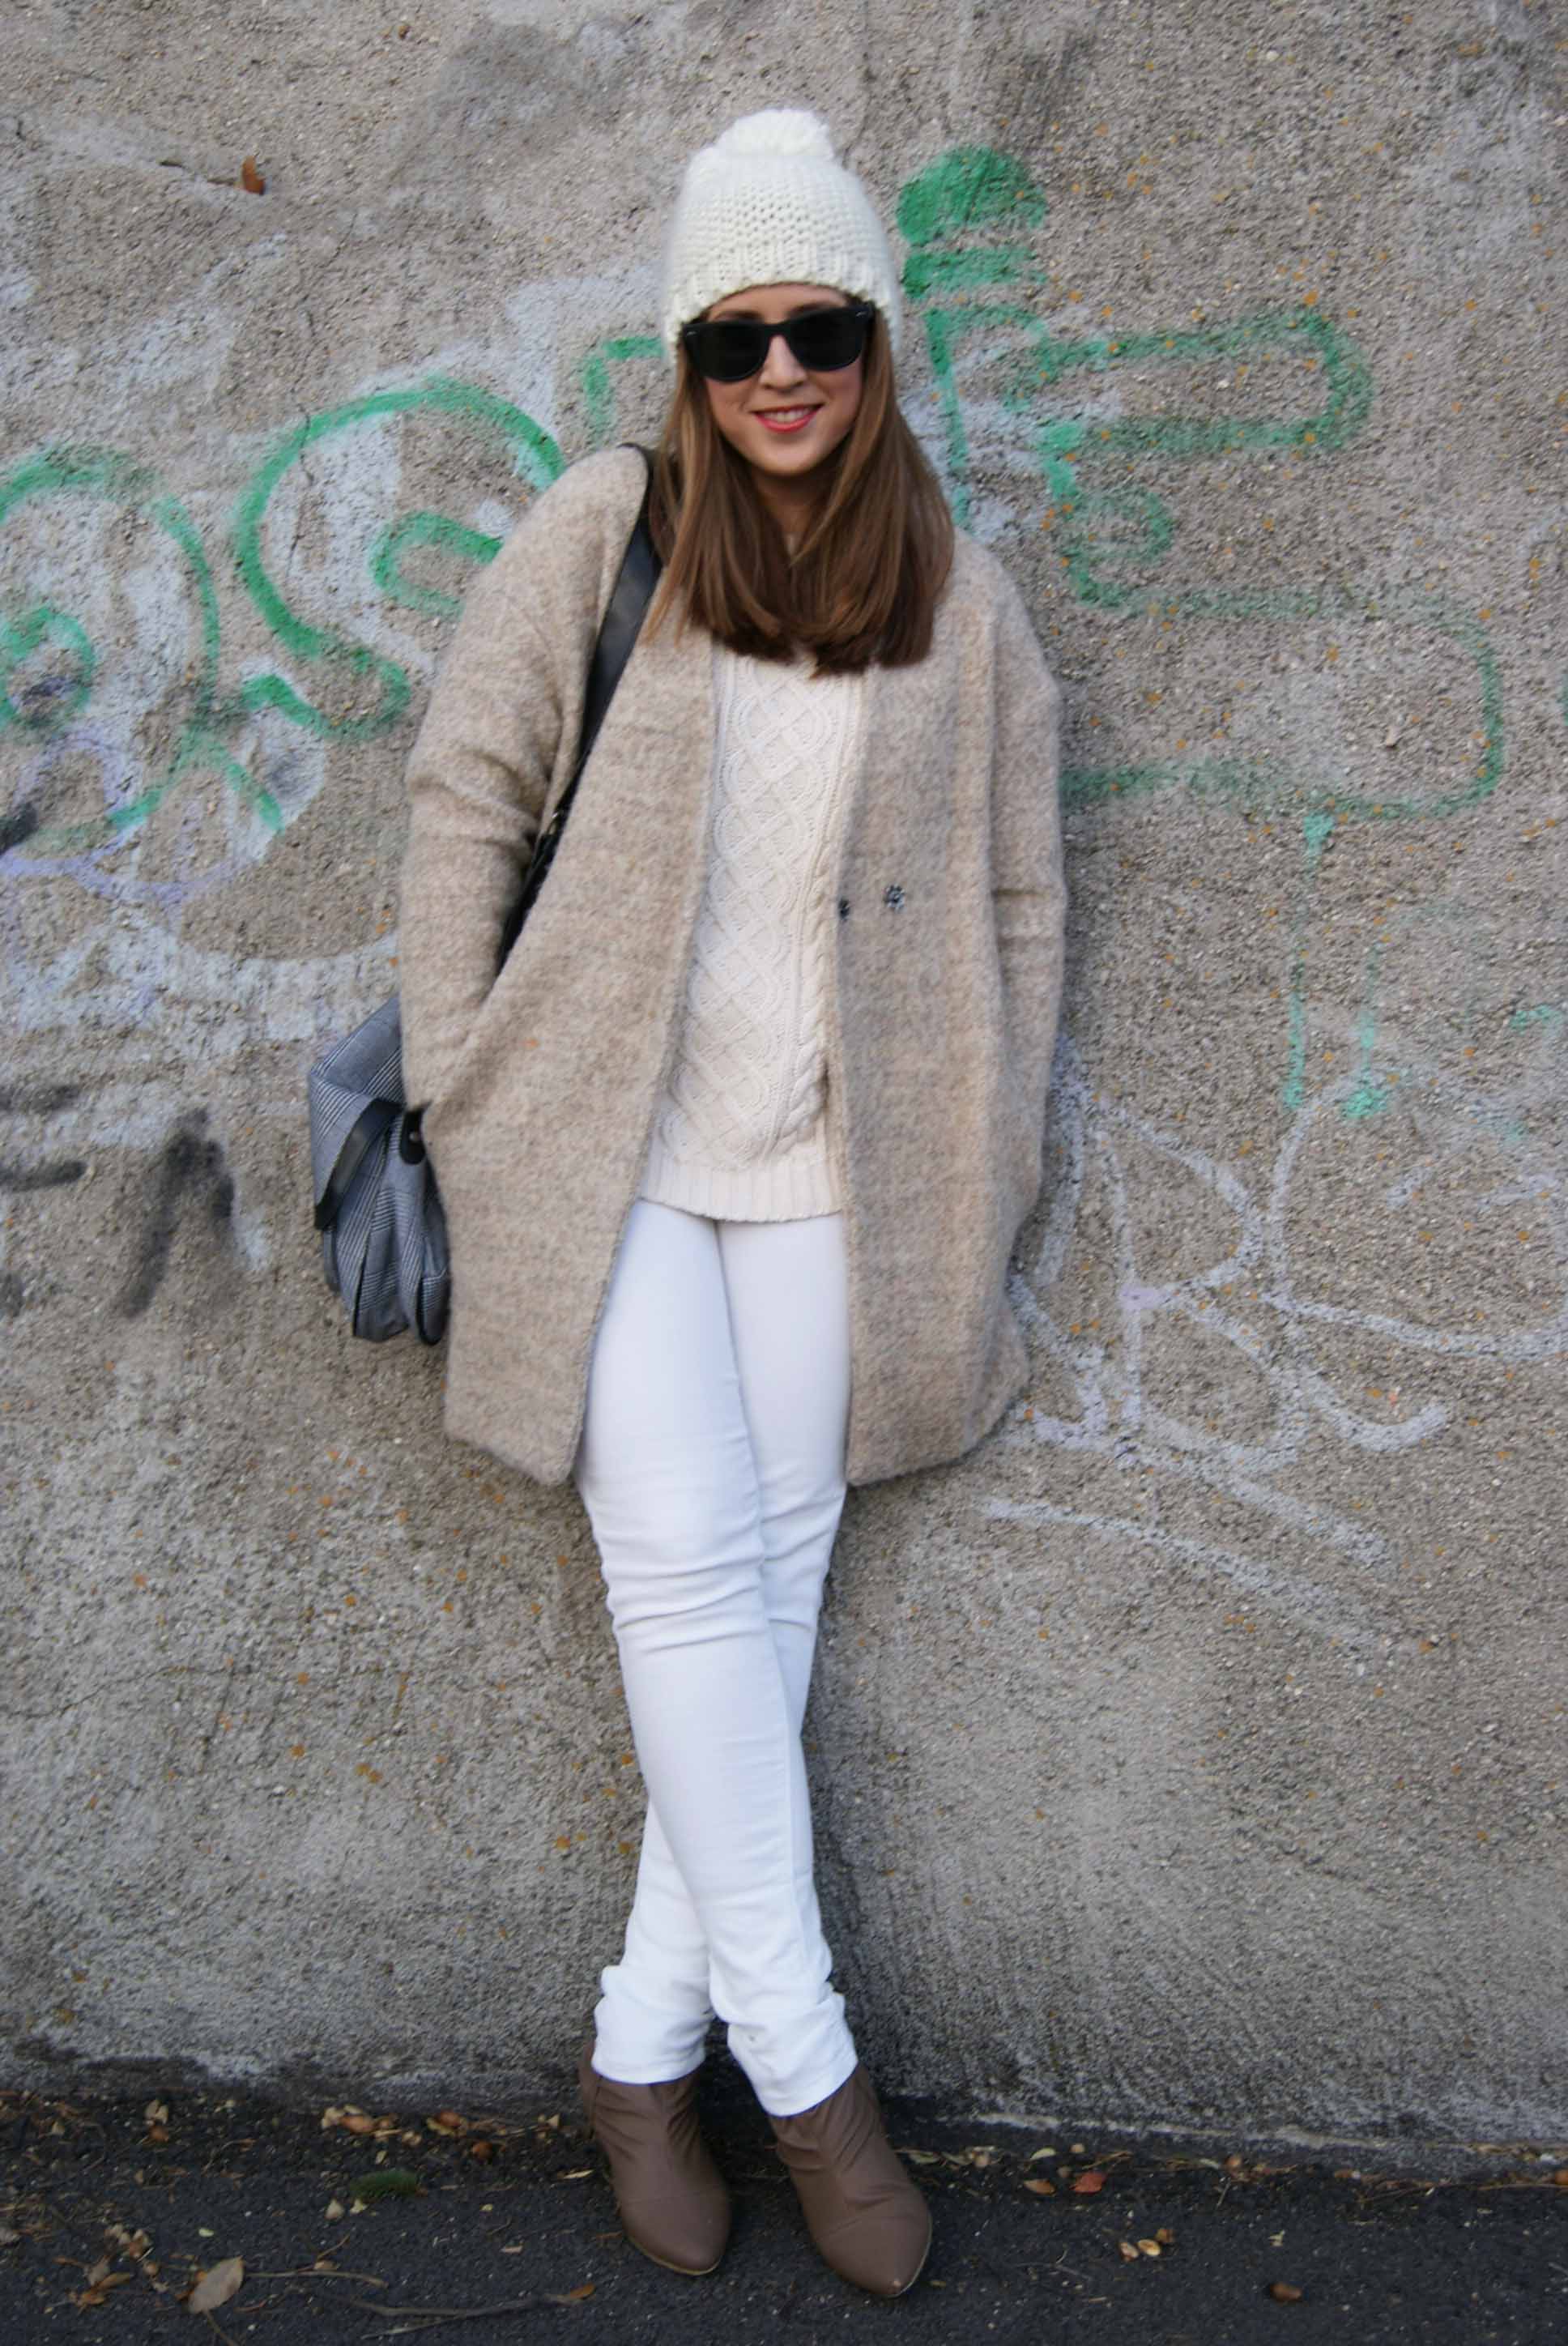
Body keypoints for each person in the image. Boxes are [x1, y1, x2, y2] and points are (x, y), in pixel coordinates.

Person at [397, 107, 1067, 2299]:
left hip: (833, 1177)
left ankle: (631, 2058)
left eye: (820, 328)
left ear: (875, 342)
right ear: (686, 358)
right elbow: (466, 796)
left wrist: (992, 1146)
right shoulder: (606, 534)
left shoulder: (960, 602)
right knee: (691, 1582)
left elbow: (1022, 896)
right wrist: (461, 1082)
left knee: (763, 1610)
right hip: (604, 1165)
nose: (781, 371)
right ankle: (812, 2084)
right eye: (735, 335)